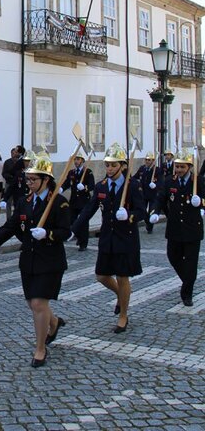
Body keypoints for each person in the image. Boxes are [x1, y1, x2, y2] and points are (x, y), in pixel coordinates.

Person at [0, 152, 70, 368]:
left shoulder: (58, 202)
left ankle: (40, 348)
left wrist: (48, 234)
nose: (29, 183)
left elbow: (66, 232)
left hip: (50, 259)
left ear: (45, 180)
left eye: (33, 179)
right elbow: (11, 226)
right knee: (33, 303)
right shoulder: (25, 201)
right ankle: (54, 322)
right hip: (29, 259)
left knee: (39, 303)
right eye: (27, 179)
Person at [71, 142, 144, 334]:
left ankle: (123, 315)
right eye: (107, 165)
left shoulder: (132, 186)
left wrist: (129, 216)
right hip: (107, 237)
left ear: (122, 166)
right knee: (102, 276)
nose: (109, 168)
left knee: (122, 276)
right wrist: (73, 229)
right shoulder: (101, 186)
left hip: (125, 238)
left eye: (113, 165)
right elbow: (89, 209)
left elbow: (141, 211)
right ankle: (122, 296)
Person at [150, 149, 204, 307]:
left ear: (189, 167)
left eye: (182, 167)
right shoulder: (169, 181)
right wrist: (155, 211)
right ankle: (187, 280)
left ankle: (187, 293)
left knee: (191, 263)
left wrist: (200, 202)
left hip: (192, 229)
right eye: (177, 166)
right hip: (174, 228)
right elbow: (160, 198)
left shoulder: (198, 181)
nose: (179, 170)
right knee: (173, 256)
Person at [61, 154, 95, 251]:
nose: (76, 161)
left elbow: (92, 185)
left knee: (83, 222)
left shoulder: (88, 172)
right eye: (75, 159)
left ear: (82, 161)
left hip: (84, 201)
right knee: (72, 220)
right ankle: (79, 237)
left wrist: (85, 187)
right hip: (74, 202)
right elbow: (67, 183)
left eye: (78, 159)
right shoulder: (72, 172)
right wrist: (61, 189)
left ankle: (83, 244)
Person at [133, 151, 161, 234]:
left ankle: (150, 227)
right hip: (143, 194)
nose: (147, 161)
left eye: (149, 160)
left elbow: (161, 182)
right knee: (143, 211)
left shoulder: (157, 170)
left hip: (153, 194)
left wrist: (155, 185)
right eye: (146, 160)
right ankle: (147, 222)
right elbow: (135, 177)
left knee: (151, 211)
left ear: (153, 161)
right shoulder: (142, 168)